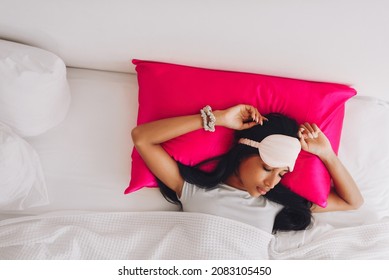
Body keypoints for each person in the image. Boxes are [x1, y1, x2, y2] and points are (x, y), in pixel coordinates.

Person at [131, 104, 363, 233]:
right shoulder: (193, 189)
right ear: (243, 154)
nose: (273, 183)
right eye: (266, 167)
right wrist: (218, 118)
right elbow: (141, 137)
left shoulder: (275, 203)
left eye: (282, 174)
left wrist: (327, 154)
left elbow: (353, 202)